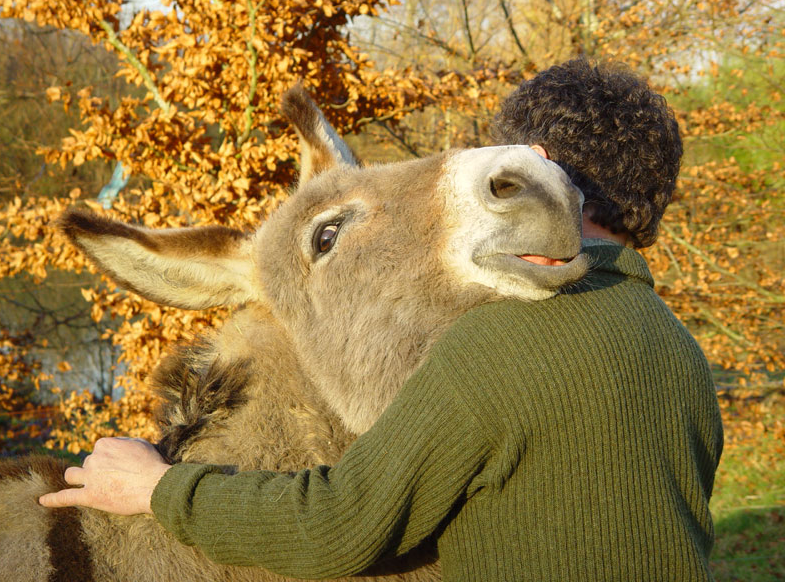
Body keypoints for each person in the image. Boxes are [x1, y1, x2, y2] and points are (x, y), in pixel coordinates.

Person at [40, 58, 723, 581]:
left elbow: (339, 525)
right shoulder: (681, 353)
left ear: (539, 170)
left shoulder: (500, 343)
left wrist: (159, 489)